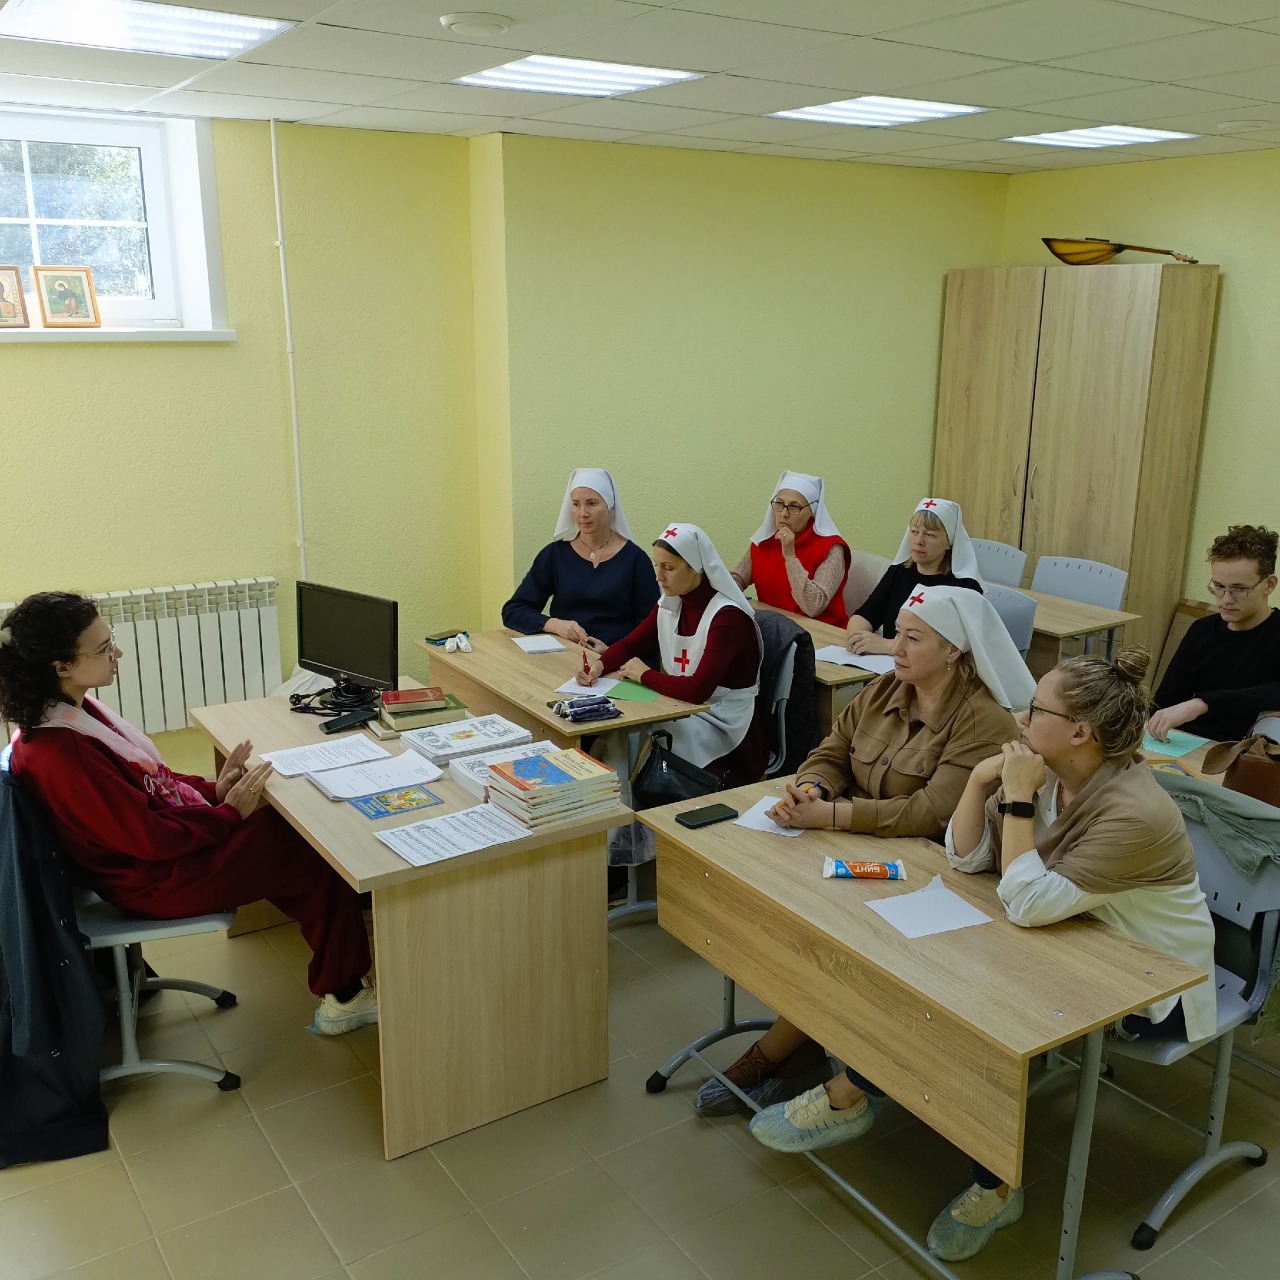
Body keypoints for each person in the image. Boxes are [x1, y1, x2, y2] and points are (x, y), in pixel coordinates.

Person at [751, 646, 1216, 1266]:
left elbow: (1024, 902)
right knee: (924, 969)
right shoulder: (1046, 775)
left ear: (1079, 732)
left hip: (1149, 986)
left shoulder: (1136, 810)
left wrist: (1016, 799)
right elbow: (967, 858)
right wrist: (979, 782)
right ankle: (862, 1091)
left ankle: (975, 1174)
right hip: (1066, 938)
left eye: (1036, 710)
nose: (1021, 719)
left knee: (976, 1006)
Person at [694, 587, 1030, 1116]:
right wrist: (814, 789)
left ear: (953, 651)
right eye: (897, 634)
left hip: (933, 875)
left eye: (913, 638)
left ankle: (786, 1052)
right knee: (796, 927)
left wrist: (831, 816)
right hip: (859, 846)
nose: (896, 647)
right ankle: (803, 1040)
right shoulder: (884, 689)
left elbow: (931, 812)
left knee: (836, 946)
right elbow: (833, 751)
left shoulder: (983, 719)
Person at [0, 593, 377, 1036]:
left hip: (150, 861)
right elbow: (151, 837)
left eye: (111, 639)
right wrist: (228, 814)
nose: (118, 653)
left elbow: (150, 779)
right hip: (153, 881)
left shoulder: (71, 713)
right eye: (103, 649)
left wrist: (213, 791)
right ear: (62, 666)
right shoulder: (63, 755)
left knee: (292, 831)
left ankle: (357, 925)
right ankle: (345, 995)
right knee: (306, 843)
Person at [581, 523, 767, 788]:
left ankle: (631, 810)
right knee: (620, 731)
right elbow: (630, 645)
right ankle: (616, 810)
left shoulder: (727, 617)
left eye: (668, 568)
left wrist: (644, 675)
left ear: (695, 568)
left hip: (723, 724)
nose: (659, 577)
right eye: (657, 566)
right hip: (682, 706)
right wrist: (598, 666)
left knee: (634, 735)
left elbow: (697, 690)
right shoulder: (673, 603)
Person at [503, 468, 659, 651]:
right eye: (576, 504)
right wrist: (555, 625)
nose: (583, 513)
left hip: (617, 660)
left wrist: (612, 654)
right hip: (564, 656)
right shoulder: (554, 555)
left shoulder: (636, 560)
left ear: (609, 505)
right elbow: (513, 611)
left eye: (592, 504)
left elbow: (651, 628)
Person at [1150, 524, 1280, 743]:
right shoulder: (1201, 631)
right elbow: (1165, 702)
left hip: (1250, 751)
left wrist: (1203, 703)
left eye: (1239, 589)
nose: (1226, 599)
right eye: (1219, 586)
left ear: (1269, 584)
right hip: (1189, 744)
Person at [846, 497, 983, 655]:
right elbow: (865, 615)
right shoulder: (899, 571)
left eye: (930, 535)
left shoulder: (965, 587)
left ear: (949, 541)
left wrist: (890, 646)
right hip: (887, 664)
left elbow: (952, 647)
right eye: (914, 532)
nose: (919, 541)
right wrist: (857, 638)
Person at [730, 471, 851, 625]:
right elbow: (738, 578)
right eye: (779, 504)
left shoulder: (832, 548)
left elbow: (813, 606)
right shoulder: (765, 540)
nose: (784, 514)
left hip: (820, 632)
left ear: (812, 511)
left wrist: (790, 557)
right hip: (774, 626)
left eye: (794, 507)